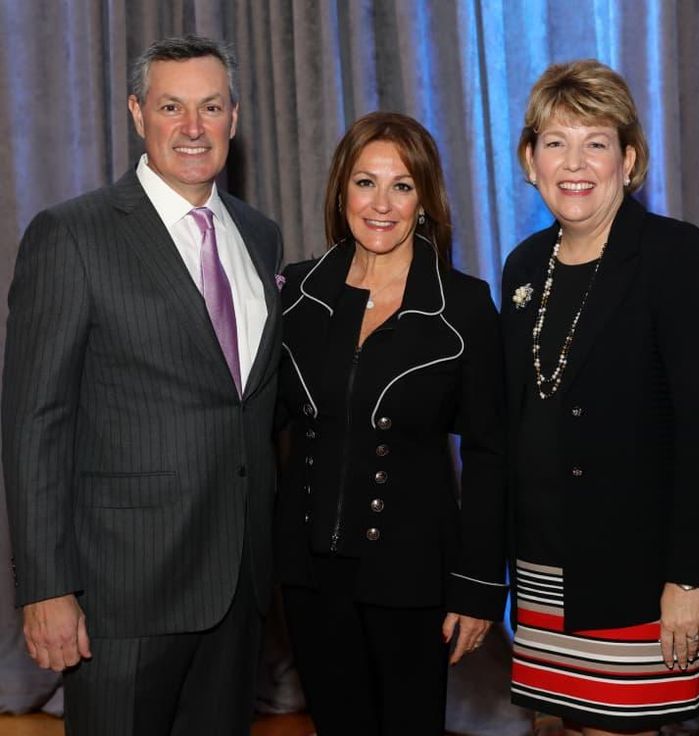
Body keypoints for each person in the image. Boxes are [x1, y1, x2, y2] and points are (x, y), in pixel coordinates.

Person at [1, 35, 282, 735]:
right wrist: (46, 588)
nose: (193, 128)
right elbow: (34, 421)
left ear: (234, 118)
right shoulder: (73, 235)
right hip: (122, 598)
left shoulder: (259, 235)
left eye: (210, 107)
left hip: (238, 586)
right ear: (137, 113)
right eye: (171, 107)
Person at [502, 60, 699, 736]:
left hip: (638, 569)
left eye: (595, 142)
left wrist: (688, 579)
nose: (574, 162)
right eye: (554, 142)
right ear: (529, 159)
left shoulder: (674, 254)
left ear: (629, 159)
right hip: (543, 566)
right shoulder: (522, 266)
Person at [275, 111, 507, 734]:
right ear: (340, 191)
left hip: (411, 571)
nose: (382, 204)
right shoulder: (296, 294)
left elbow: (490, 454)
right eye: (365, 182)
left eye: (402, 186)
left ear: (424, 200)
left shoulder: (463, 305)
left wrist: (479, 587)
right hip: (308, 569)